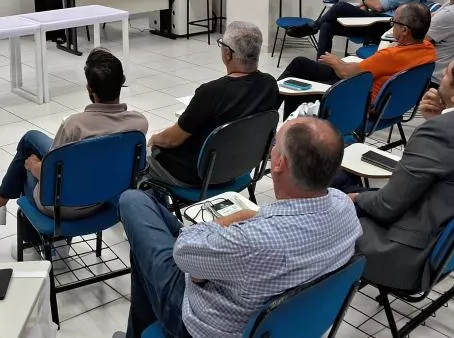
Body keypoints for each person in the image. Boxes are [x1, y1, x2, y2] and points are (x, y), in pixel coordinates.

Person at [114, 117, 361, 338]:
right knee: (147, 252)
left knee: (133, 201)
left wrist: (235, 217)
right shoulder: (344, 207)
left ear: (279, 163)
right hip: (287, 323)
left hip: (201, 324)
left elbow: (183, 253)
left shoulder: (252, 241)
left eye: (276, 144)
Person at [351, 46, 454, 291]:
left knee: (335, 203)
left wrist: (354, 198)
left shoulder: (440, 132)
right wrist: (443, 117)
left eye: (448, 73)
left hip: (405, 256)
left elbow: (387, 206)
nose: (441, 77)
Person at [0, 48, 148, 225]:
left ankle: (15, 225)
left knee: (29, 157)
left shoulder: (74, 126)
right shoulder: (138, 124)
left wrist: (33, 165)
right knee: (35, 139)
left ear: (89, 88)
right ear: (122, 82)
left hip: (62, 207)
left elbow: (51, 174)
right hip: (106, 197)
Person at [146, 21, 280, 187]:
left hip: (197, 174)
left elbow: (172, 140)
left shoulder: (211, 92)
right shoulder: (269, 84)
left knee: (142, 158)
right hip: (239, 167)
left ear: (227, 53)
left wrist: (153, 139)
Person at [278, 3, 436, 115]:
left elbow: (346, 73)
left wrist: (334, 60)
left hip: (356, 100)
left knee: (298, 74)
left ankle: (271, 117)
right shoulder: (429, 50)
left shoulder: (390, 56)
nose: (391, 26)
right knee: (301, 66)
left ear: (405, 30)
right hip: (392, 106)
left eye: (393, 22)